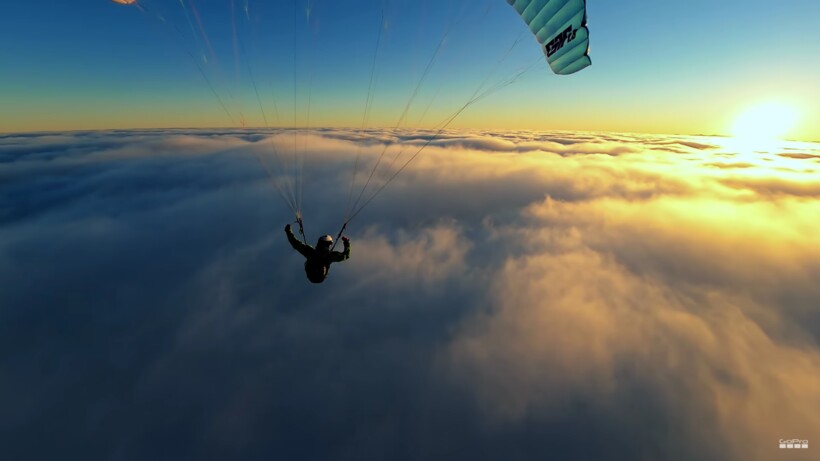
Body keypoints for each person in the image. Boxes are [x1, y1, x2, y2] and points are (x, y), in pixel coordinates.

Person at [285, 224, 350, 283]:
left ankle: (317, 271)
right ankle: (317, 271)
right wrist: (346, 243)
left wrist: (288, 231)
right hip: (316, 275)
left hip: (315, 275)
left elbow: (295, 243)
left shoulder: (310, 252)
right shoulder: (329, 256)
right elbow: (345, 255)